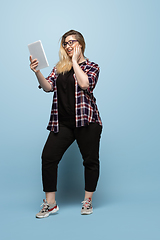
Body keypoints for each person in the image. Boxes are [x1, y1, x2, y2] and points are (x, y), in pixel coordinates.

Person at [29, 30, 102, 218]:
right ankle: (50, 204)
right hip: (63, 123)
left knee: (90, 161)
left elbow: (85, 84)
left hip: (87, 121)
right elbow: (48, 87)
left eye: (72, 42)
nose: (68, 46)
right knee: (48, 157)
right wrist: (37, 71)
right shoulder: (59, 67)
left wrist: (76, 62)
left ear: (81, 44)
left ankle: (88, 201)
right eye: (65, 43)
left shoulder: (92, 66)